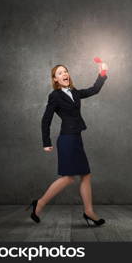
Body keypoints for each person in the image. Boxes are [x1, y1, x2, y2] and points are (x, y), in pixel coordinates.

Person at [26, 62, 109, 226]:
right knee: (69, 178)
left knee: (85, 174)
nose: (64, 74)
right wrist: (46, 142)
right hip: (67, 140)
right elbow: (46, 120)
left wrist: (102, 74)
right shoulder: (55, 96)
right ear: (55, 79)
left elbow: (94, 89)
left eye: (66, 71)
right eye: (60, 73)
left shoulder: (75, 92)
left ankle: (88, 211)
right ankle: (40, 203)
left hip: (76, 138)